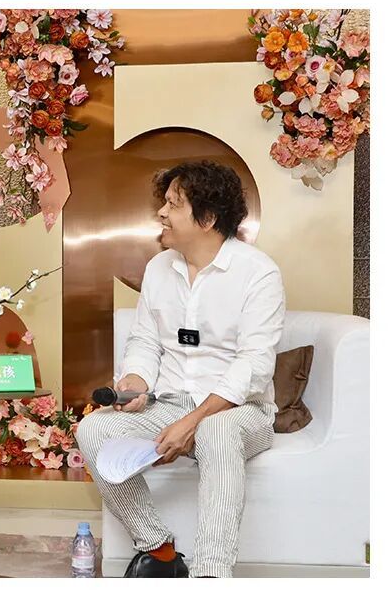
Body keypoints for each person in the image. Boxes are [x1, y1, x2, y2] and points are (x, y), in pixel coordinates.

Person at [76, 160, 285, 578]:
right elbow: (145, 340)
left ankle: (211, 573)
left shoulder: (258, 273)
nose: (161, 213)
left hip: (239, 411)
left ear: (207, 219)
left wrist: (193, 421)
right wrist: (135, 381)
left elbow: (254, 365)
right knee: (93, 430)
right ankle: (160, 551)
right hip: (169, 404)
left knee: (216, 430)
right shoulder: (159, 268)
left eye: (173, 204)